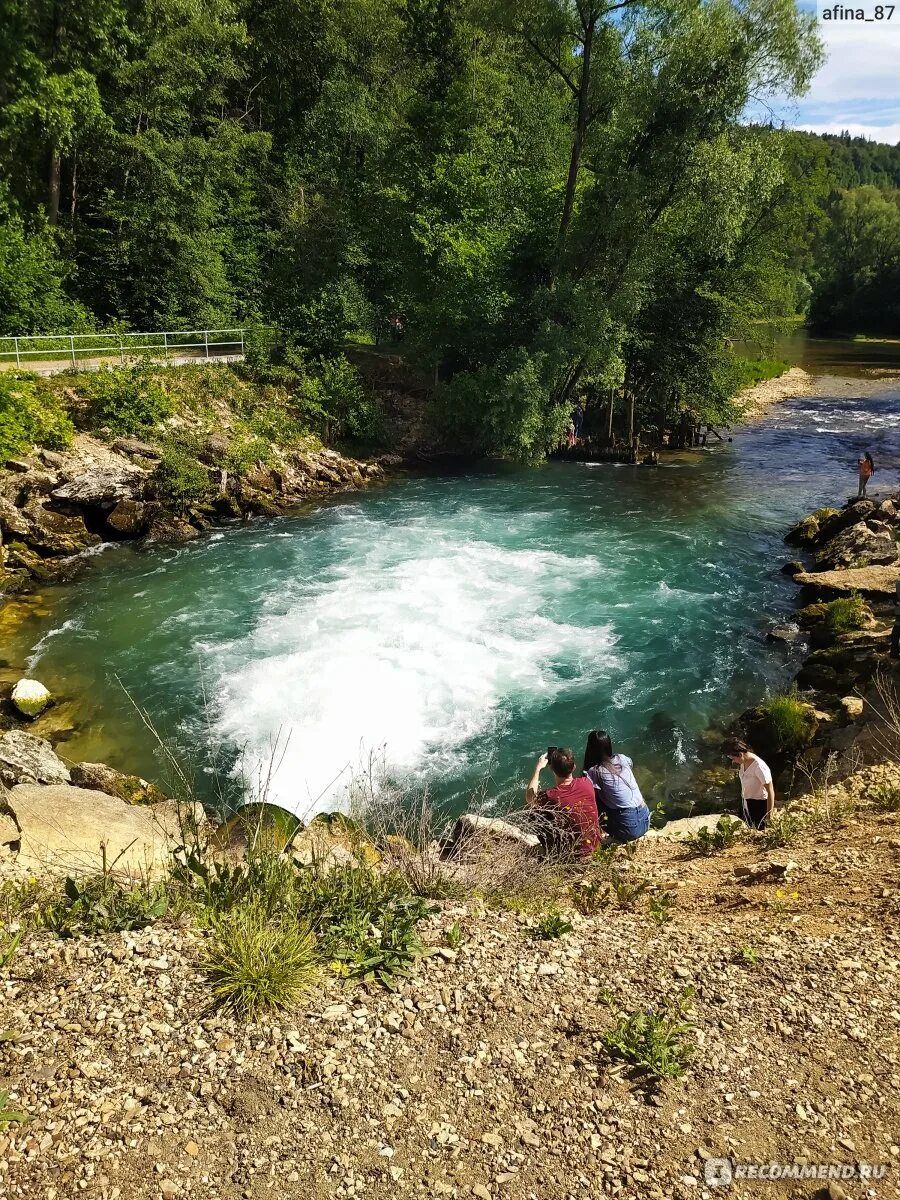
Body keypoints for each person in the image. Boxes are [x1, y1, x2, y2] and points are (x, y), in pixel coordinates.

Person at [525, 747, 601, 857]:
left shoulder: (550, 796)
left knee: (533, 815)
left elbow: (529, 798)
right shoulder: (587, 782)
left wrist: (538, 769)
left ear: (551, 768)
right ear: (574, 767)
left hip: (573, 854)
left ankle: (552, 852)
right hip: (594, 844)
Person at [582, 730, 651, 844]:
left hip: (629, 829)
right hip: (645, 819)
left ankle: (601, 835)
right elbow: (630, 764)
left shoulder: (594, 772)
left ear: (590, 748)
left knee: (593, 798)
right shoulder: (622, 758)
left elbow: (589, 797)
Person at [722, 736, 774, 829]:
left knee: (758, 831)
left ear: (740, 754)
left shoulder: (759, 767)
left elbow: (770, 791)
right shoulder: (744, 761)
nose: (732, 761)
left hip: (759, 805)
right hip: (746, 801)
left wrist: (769, 816)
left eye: (732, 758)